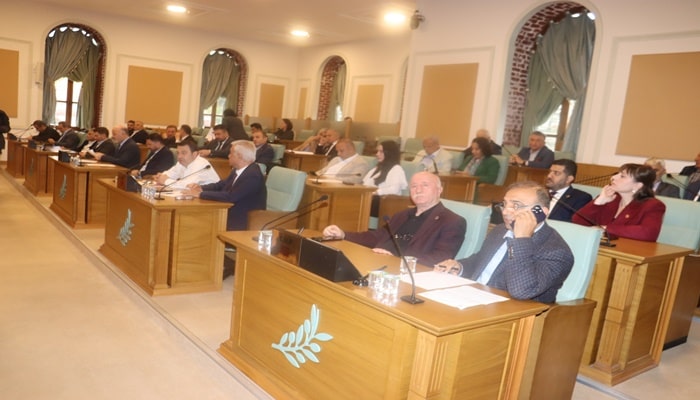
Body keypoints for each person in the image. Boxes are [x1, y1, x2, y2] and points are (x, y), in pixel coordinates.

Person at [435, 181, 574, 303]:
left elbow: (522, 291)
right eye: (504, 205)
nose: (506, 212)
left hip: (511, 315)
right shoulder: (500, 230)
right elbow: (480, 261)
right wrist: (459, 267)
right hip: (470, 296)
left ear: (541, 212)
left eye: (516, 205)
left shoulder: (556, 252)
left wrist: (521, 239)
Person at [322, 172, 466, 266]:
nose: (418, 190)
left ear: (439, 190)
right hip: (376, 262)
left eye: (425, 185)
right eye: (414, 186)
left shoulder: (452, 221)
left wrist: (397, 261)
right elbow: (377, 236)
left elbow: (440, 257)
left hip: (406, 274)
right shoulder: (402, 215)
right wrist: (343, 234)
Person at [183, 140, 267, 231]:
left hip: (243, 221)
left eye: (231, 153)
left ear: (240, 156)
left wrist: (200, 194)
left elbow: (231, 196)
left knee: (201, 223)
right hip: (231, 212)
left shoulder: (252, 175)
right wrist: (201, 188)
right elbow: (222, 184)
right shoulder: (238, 170)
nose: (228, 156)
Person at [572, 163, 666, 242]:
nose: (613, 177)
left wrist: (605, 228)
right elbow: (577, 221)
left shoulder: (653, 205)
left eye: (622, 176)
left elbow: (648, 233)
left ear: (638, 185)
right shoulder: (609, 197)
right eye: (617, 174)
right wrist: (598, 202)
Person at [362, 140, 408, 217]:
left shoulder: (396, 169)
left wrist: (376, 192)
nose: (377, 154)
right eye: (377, 151)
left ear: (389, 153)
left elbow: (394, 190)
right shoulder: (377, 168)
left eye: (381, 152)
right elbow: (365, 183)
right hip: (370, 199)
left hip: (383, 203)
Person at [155, 138, 220, 190]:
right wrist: (160, 176)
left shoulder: (201, 164)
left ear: (194, 154)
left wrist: (166, 181)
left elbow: (188, 186)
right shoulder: (181, 163)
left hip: (211, 198)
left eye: (183, 153)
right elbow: (171, 173)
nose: (179, 156)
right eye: (178, 153)